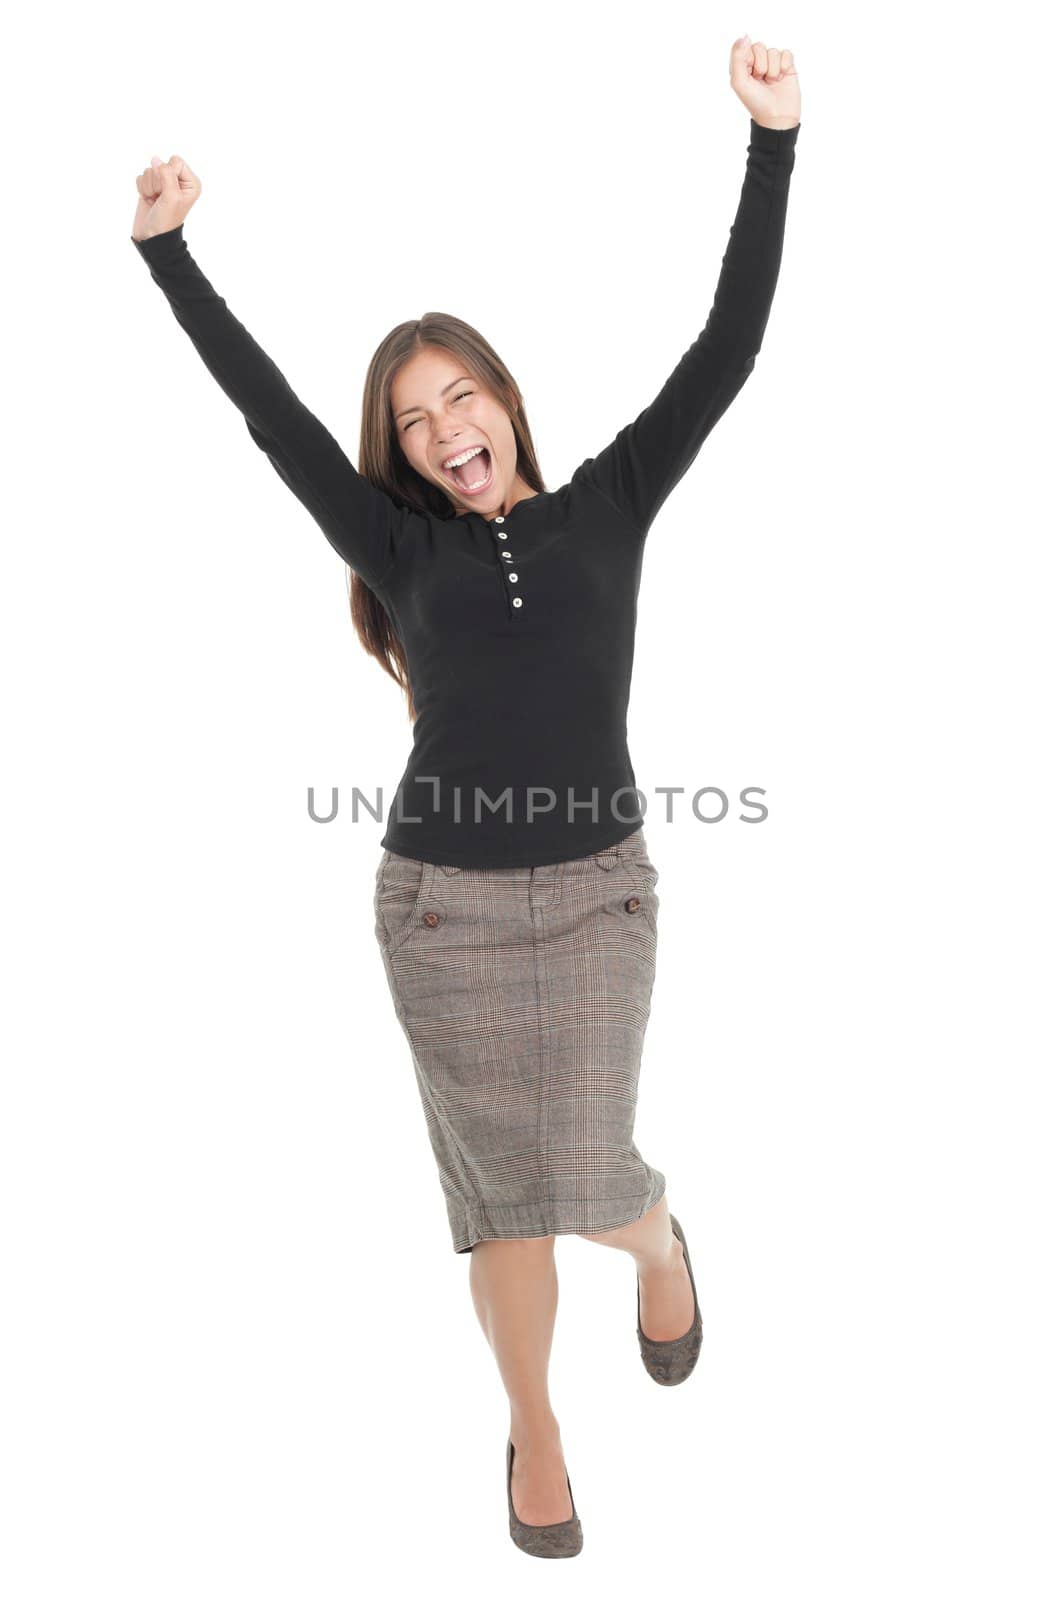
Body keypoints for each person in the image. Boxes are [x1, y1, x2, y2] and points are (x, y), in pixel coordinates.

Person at [130, 33, 801, 1558]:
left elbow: (729, 348)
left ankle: (658, 1240)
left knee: (590, 1175)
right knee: (503, 1198)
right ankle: (538, 1429)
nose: (446, 433)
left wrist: (775, 144)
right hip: (438, 909)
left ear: (503, 397)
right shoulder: (400, 550)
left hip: (599, 893)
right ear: (406, 455)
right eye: (416, 423)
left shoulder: (610, 506)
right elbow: (270, 417)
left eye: (462, 400)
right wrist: (173, 256)